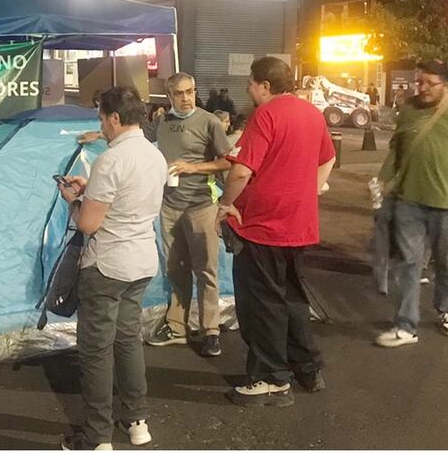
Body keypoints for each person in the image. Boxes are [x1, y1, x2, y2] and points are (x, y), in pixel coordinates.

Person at [215, 56, 336, 406]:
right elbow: (327, 158)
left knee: (262, 304)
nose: (249, 90)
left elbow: (240, 172)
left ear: (265, 85)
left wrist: (225, 205)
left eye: (251, 84)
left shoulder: (266, 115)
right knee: (294, 298)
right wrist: (307, 190)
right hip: (298, 224)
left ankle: (270, 378)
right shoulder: (311, 113)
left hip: (263, 225)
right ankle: (307, 367)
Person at [57, 86, 166, 450]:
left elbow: (88, 224)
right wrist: (93, 190)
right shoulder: (155, 155)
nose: (100, 126)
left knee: (96, 350)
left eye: (102, 118)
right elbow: (128, 199)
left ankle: (98, 436)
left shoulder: (110, 159)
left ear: (116, 118)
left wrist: (74, 200)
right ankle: (137, 421)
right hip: (142, 262)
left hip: (107, 265)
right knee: (128, 339)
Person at [374, 60, 448, 348]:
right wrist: (382, 180)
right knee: (409, 265)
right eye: (419, 82)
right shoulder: (409, 109)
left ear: (447, 86)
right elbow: (396, 151)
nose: (421, 88)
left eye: (429, 83)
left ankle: (447, 311)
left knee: (447, 264)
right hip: (408, 199)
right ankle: (405, 325)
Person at [144, 73, 232, 357]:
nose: (186, 98)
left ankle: (211, 330)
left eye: (190, 92)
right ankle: (177, 326)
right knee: (175, 268)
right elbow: (135, 139)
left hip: (201, 205)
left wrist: (193, 168)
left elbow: (226, 161)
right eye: (179, 93)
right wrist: (98, 134)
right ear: (169, 96)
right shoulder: (161, 122)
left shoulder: (209, 122)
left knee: (206, 269)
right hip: (169, 206)